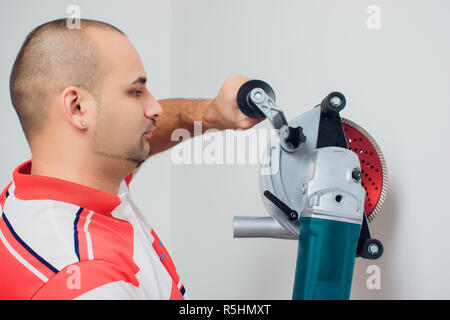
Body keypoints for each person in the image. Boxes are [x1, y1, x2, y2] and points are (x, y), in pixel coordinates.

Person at [0, 18, 265, 299]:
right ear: (78, 108)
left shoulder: (41, 191)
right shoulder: (90, 282)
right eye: (136, 92)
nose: (155, 107)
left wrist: (209, 113)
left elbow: (146, 135)